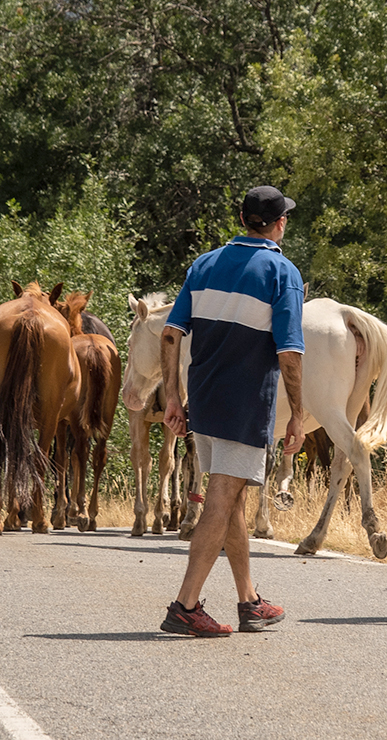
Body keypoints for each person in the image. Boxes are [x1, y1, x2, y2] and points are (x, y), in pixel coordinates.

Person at [158, 185, 306, 637]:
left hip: (202, 399)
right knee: (222, 499)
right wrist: (298, 413)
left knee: (233, 498)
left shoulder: (202, 265)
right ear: (279, 223)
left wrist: (172, 397)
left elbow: (170, 334)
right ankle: (185, 606)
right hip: (244, 406)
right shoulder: (282, 272)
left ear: (242, 219)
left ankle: (249, 601)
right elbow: (289, 355)